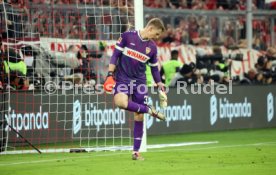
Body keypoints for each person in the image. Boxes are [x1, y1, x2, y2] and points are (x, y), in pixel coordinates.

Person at [103, 18, 167, 160]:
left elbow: (154, 68)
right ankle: (150, 110)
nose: (157, 38)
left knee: (139, 115)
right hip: (123, 79)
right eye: (157, 34)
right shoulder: (127, 36)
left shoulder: (152, 47)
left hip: (140, 82)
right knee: (120, 102)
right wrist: (109, 74)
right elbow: (115, 56)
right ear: (150, 29)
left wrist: (160, 83)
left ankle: (135, 152)